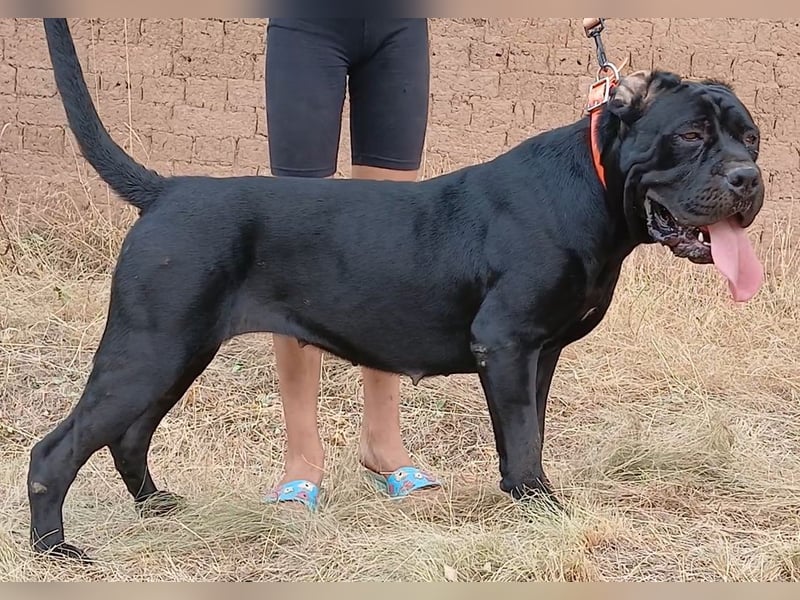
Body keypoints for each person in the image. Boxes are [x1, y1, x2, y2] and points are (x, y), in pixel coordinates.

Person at [261, 18, 441, 511]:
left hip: (397, 27)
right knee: (298, 243)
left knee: (391, 247)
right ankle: (303, 458)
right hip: (307, 21)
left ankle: (382, 442)